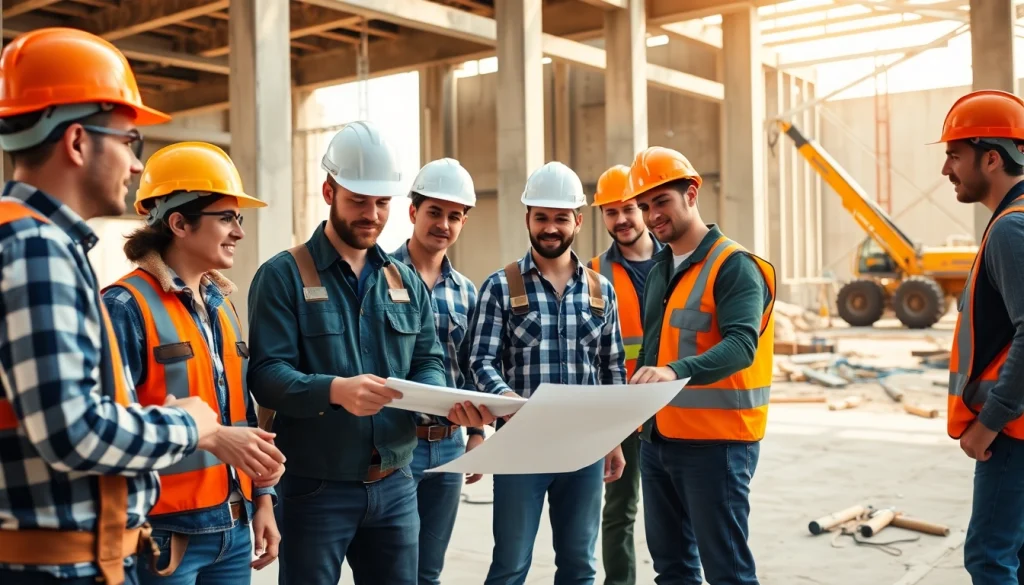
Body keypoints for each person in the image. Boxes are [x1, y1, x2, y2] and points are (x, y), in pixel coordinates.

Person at [0, 28, 281, 585]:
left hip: (102, 549)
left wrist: (258, 494)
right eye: (129, 141)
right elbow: (73, 429)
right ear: (77, 142)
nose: (134, 165)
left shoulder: (43, 244)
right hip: (61, 564)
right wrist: (191, 425)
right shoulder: (36, 248)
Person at [246, 121, 448, 585]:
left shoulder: (404, 280)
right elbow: (266, 375)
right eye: (358, 200)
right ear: (328, 192)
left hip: (396, 484)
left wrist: (437, 399)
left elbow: (428, 359)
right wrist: (335, 391)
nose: (371, 214)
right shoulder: (282, 276)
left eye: (382, 202)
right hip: (316, 489)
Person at [102, 142, 285, 584]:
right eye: (226, 218)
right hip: (163, 534)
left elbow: (241, 413)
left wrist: (263, 498)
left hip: (234, 527)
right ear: (179, 223)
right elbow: (110, 426)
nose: (238, 232)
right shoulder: (124, 307)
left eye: (239, 219)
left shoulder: (223, 306)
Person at [468, 160, 627, 585]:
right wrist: (509, 401)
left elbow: (613, 369)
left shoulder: (600, 291)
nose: (551, 228)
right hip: (522, 447)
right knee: (510, 566)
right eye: (542, 217)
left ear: (578, 220)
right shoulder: (501, 287)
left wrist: (613, 439)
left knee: (579, 567)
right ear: (528, 219)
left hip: (583, 449)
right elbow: (480, 361)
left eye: (561, 218)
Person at [623, 146, 775, 585]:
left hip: (716, 447)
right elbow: (651, 353)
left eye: (661, 201)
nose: (652, 216)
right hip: (658, 441)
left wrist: (673, 372)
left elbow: (741, 346)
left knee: (728, 573)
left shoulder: (734, 266)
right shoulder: (659, 269)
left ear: (691, 193)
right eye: (644, 206)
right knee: (672, 570)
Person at [939, 89, 1024, 585]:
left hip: (1011, 433)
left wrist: (988, 424)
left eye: (954, 155)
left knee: (990, 559)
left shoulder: (1011, 230)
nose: (946, 169)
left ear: (992, 158)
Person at [390, 157, 487, 585]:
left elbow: (469, 367)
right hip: (395, 444)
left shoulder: (467, 292)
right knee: (392, 569)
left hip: (448, 444)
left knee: (429, 570)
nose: (443, 224)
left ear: (463, 222)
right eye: (434, 212)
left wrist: (477, 433)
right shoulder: (380, 276)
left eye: (454, 216)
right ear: (413, 212)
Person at [587, 164, 664, 585]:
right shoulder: (592, 273)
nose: (621, 219)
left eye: (629, 208)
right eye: (611, 211)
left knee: (677, 509)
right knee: (619, 510)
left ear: (645, 208)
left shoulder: (678, 261)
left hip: (674, 404)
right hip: (621, 412)